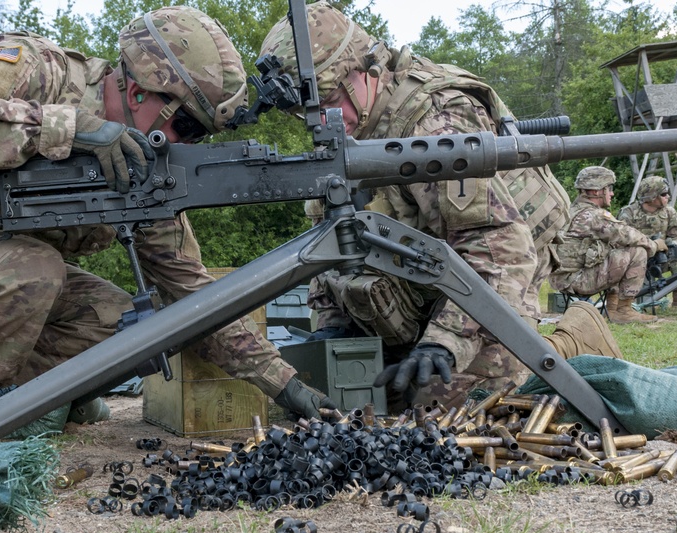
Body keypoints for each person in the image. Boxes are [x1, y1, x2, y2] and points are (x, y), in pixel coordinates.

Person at [0, 6, 334, 424]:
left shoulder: (145, 169)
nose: (187, 144)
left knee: (134, 330)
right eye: (187, 124)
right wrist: (69, 131)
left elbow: (192, 296)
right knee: (31, 270)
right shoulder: (37, 71)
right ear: (141, 92)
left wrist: (284, 384)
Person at [258, 2, 621, 407]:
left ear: (364, 70)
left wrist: (445, 342)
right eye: (304, 113)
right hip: (428, 268)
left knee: (452, 406)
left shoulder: (433, 122)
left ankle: (572, 340)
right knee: (376, 399)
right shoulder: (338, 132)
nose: (322, 120)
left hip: (506, 258)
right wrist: (334, 327)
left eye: (328, 100)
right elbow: (332, 243)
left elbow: (501, 246)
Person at [549, 166, 669, 324]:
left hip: (564, 279)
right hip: (577, 280)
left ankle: (612, 309)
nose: (611, 193)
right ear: (596, 191)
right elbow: (626, 233)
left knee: (615, 247)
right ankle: (624, 310)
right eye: (609, 189)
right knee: (638, 251)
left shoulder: (573, 210)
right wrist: (655, 245)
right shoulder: (593, 216)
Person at [617, 176, 677, 307]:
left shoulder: (669, 212)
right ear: (652, 197)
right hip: (636, 260)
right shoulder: (628, 214)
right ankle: (629, 301)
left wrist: (669, 244)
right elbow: (621, 242)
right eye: (663, 194)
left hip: (661, 258)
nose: (667, 196)